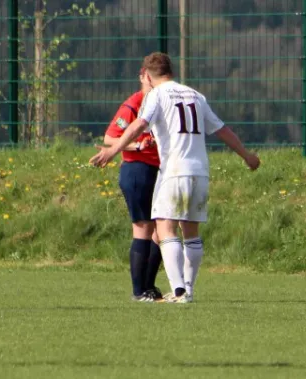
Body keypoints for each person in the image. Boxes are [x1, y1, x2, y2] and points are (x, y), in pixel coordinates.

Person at [90, 52, 260, 303]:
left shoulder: (156, 95)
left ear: (147, 76)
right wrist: (246, 155)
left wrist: (113, 151)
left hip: (173, 171)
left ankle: (178, 290)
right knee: (191, 231)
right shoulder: (195, 95)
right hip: (200, 171)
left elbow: (138, 125)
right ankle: (188, 290)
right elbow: (222, 129)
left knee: (164, 228)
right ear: (172, 72)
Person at [102, 68, 163, 302]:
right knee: (143, 228)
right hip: (137, 170)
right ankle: (139, 291)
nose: (151, 82)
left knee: (162, 228)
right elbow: (110, 138)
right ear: (142, 77)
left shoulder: (163, 100)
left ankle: (149, 286)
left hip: (161, 170)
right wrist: (137, 146)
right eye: (147, 77)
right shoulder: (134, 103)